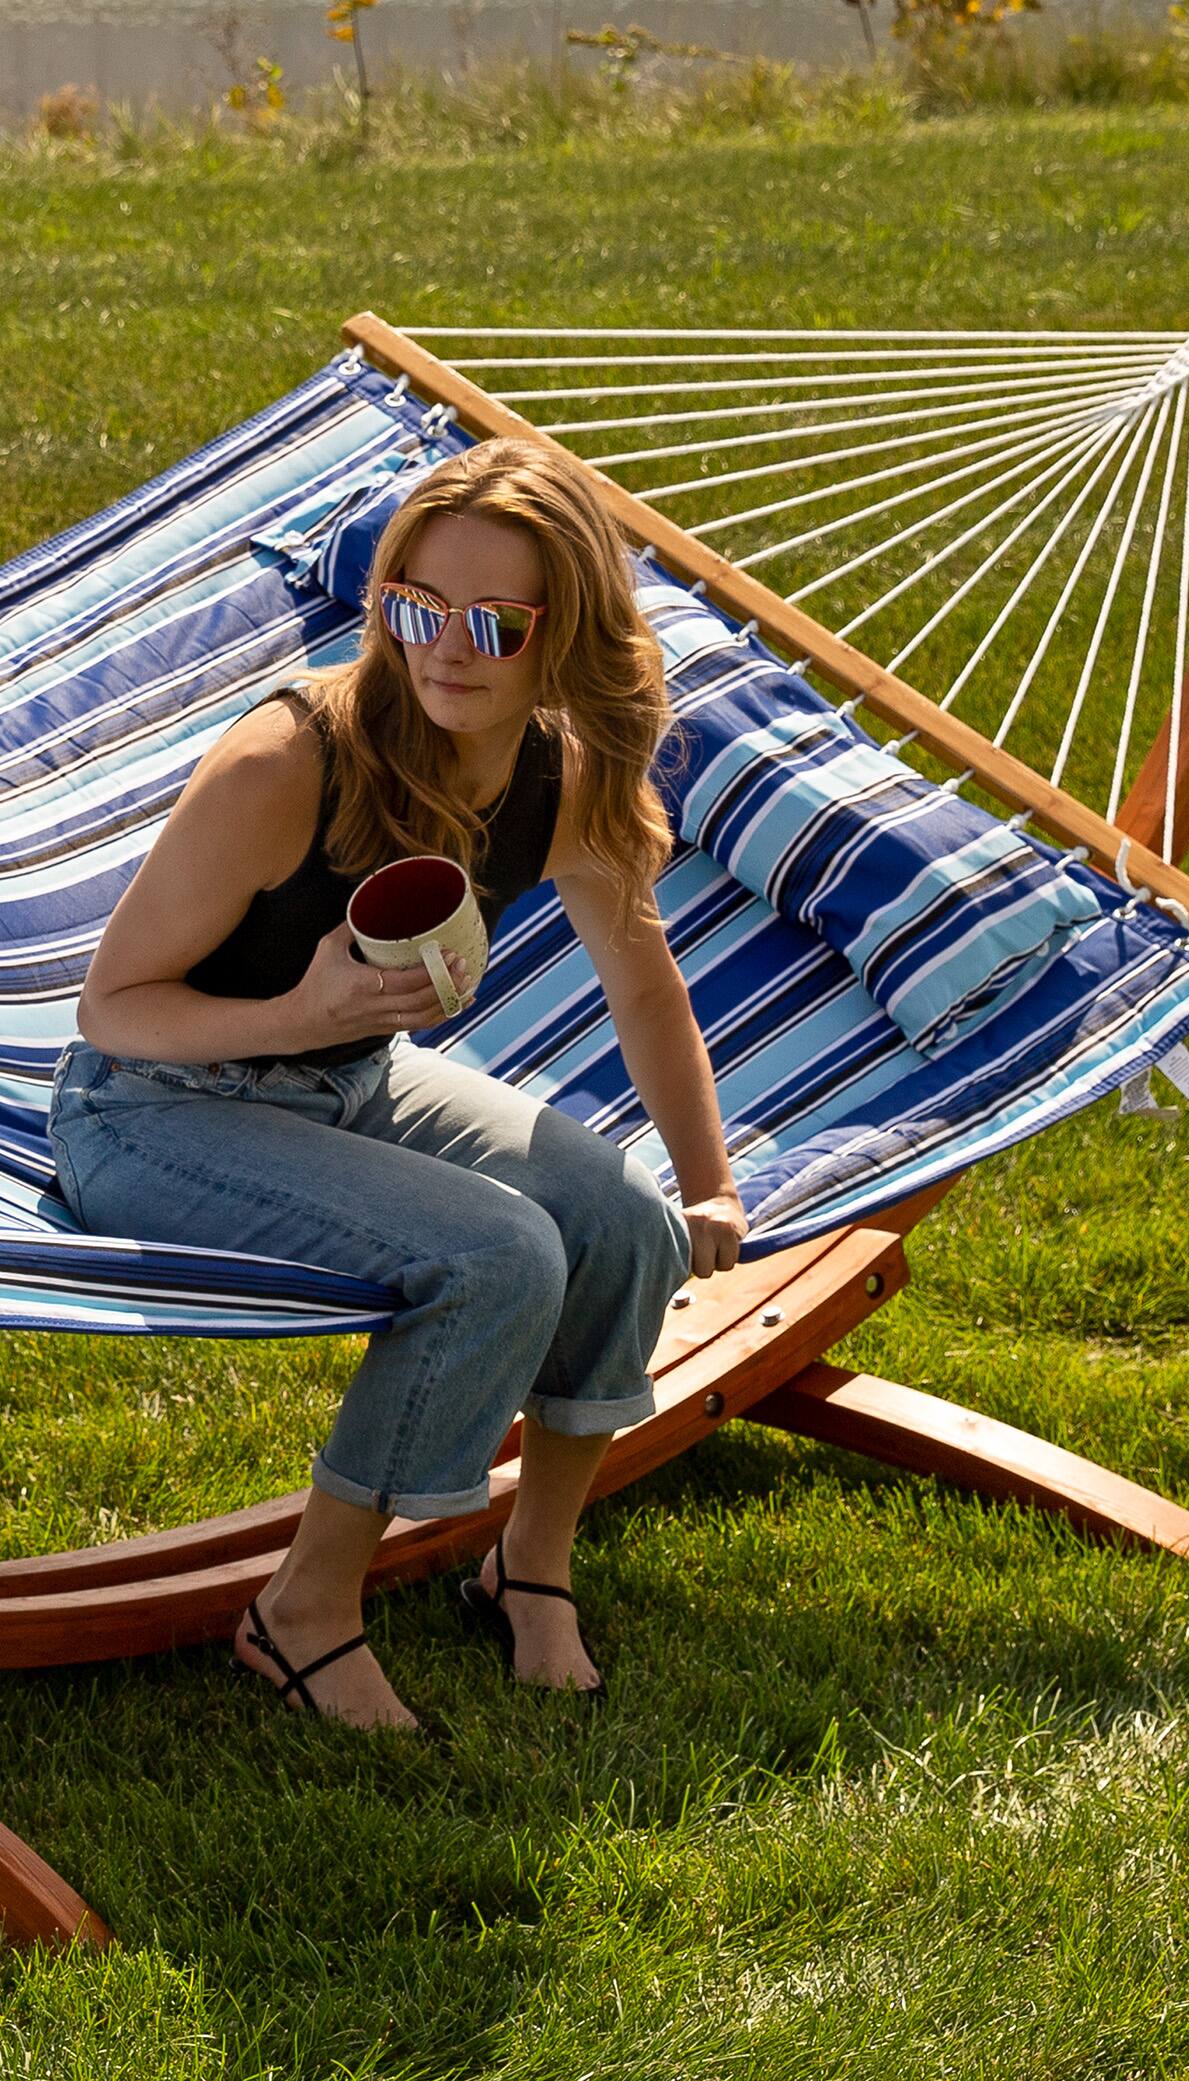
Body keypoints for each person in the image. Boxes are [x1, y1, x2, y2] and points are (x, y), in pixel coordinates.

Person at [50, 437, 746, 1725]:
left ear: (564, 632)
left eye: (494, 620)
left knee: (622, 1221)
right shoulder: (287, 763)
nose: (448, 650)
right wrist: (300, 1009)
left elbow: (643, 984)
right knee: (501, 1255)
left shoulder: (561, 771)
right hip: (154, 1116)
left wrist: (707, 1183)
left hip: (354, 1084)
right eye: (417, 607)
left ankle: (528, 1565)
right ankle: (302, 1608)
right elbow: (114, 1010)